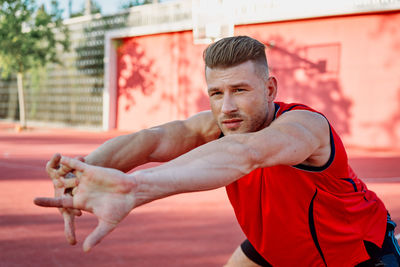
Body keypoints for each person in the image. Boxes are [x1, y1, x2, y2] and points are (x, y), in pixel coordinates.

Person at [34, 36, 400, 266]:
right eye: (216, 93)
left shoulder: (305, 128)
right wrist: (83, 168)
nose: (226, 107)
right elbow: (155, 138)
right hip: (273, 247)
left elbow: (246, 153)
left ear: (270, 89)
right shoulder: (222, 123)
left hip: (356, 256)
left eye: (240, 90)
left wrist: (136, 187)